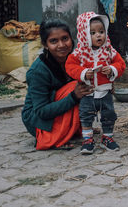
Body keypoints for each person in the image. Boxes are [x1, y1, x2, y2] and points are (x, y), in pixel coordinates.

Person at [22, 18, 94, 150]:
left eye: (65, 38)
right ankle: (56, 135)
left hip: (58, 109)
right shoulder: (38, 71)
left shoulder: (75, 59)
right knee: (75, 87)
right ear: (45, 45)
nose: (61, 45)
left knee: (86, 81)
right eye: (54, 41)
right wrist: (74, 96)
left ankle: (75, 128)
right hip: (37, 120)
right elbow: (41, 111)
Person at [66, 12, 126, 155]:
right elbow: (70, 66)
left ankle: (107, 137)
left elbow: (121, 64)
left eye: (101, 31)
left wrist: (112, 69)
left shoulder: (109, 50)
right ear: (84, 35)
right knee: (86, 115)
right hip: (88, 91)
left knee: (109, 114)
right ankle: (88, 140)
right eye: (93, 33)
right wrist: (82, 73)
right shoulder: (79, 53)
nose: (99, 35)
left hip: (105, 91)